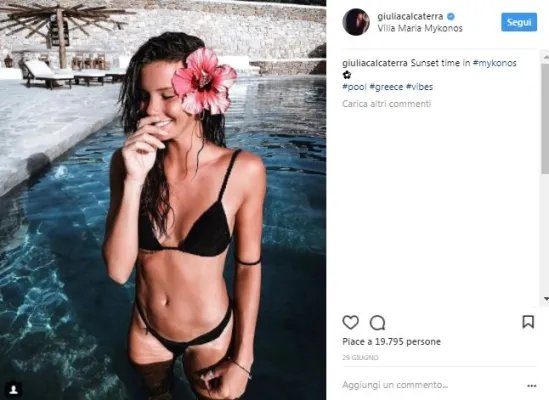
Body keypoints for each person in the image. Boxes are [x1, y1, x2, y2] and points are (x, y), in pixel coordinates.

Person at [102, 32, 266, 400]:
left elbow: (248, 269)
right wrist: (134, 180)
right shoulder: (126, 163)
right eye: (143, 96)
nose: (150, 110)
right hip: (146, 332)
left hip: (211, 337)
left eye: (167, 96)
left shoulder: (242, 170)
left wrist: (243, 360)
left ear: (200, 96)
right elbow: (117, 271)